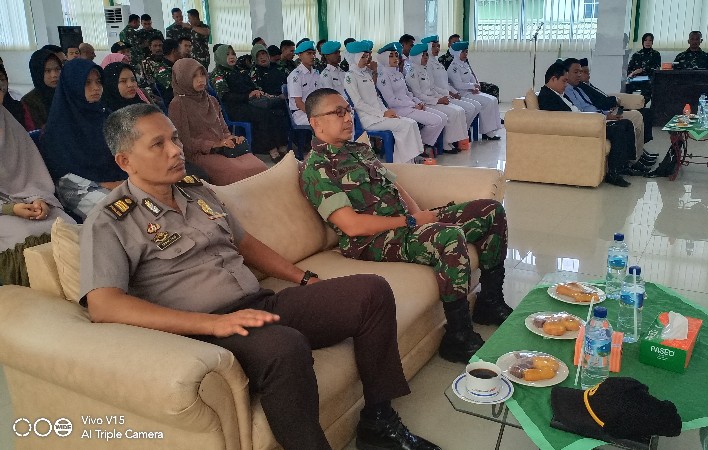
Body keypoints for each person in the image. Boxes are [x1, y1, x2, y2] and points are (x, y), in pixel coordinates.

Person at [83, 102, 440, 450]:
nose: (176, 150)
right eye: (158, 144)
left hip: (257, 305)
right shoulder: (111, 220)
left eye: (175, 138)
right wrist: (212, 324)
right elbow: (104, 305)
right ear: (125, 161)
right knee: (285, 346)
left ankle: (378, 420)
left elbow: (246, 244)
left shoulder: (197, 190)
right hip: (203, 331)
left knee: (371, 291)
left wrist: (303, 278)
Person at [301, 87, 512, 364]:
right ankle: (458, 336)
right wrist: (412, 221)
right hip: (370, 241)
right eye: (337, 113)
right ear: (316, 123)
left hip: (404, 225)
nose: (348, 118)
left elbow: (395, 186)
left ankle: (489, 302)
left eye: (348, 110)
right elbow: (351, 226)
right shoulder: (317, 168)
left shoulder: (358, 150)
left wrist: (419, 215)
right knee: (448, 237)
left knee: (490, 211)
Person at [40, 59, 127, 219]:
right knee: (121, 214)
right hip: (77, 187)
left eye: (98, 81)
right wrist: (108, 184)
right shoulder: (58, 126)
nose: (96, 87)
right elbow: (64, 173)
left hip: (119, 181)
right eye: (87, 83)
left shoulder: (106, 115)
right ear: (73, 86)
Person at [0, 105, 75, 286]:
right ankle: (38, 293)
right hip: (4, 210)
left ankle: (81, 291)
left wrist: (40, 199)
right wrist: (10, 209)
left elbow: (33, 173)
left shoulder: (10, 127)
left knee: (65, 224)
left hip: (26, 198)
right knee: (22, 235)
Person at [169, 58, 267, 185]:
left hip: (223, 148)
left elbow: (224, 129)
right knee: (236, 173)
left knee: (260, 167)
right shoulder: (178, 104)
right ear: (183, 78)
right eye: (194, 76)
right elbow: (183, 141)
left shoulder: (211, 100)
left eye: (202, 74)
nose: (201, 79)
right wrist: (213, 145)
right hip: (199, 154)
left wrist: (231, 138)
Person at [537, 61, 634, 187]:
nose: (566, 85)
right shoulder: (547, 96)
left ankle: (625, 165)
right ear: (553, 79)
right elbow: (561, 119)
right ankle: (613, 173)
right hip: (580, 126)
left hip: (584, 121)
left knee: (626, 123)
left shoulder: (558, 93)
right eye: (564, 81)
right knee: (618, 129)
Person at [342, 40, 425, 164]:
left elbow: (377, 98)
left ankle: (410, 158)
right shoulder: (350, 76)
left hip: (379, 115)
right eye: (363, 57)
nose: (366, 59)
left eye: (367, 56)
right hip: (367, 118)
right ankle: (403, 162)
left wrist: (386, 111)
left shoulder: (366, 73)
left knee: (412, 123)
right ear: (354, 58)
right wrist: (382, 114)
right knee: (405, 125)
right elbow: (358, 104)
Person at [210, 44, 289, 163]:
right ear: (220, 56)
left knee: (275, 111)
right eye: (227, 54)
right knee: (263, 115)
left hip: (248, 103)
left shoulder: (238, 69)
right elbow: (225, 96)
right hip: (234, 108)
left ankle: (281, 145)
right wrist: (247, 96)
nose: (231, 57)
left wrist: (258, 92)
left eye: (233, 54)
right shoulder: (218, 74)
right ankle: (271, 149)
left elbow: (251, 85)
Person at [562, 58, 645, 168]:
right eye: (576, 72)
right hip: (594, 120)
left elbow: (594, 103)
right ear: (566, 73)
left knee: (637, 117)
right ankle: (631, 162)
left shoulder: (579, 87)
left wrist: (607, 112)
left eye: (581, 72)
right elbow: (582, 111)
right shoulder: (565, 90)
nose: (579, 75)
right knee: (631, 120)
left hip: (602, 114)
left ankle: (636, 158)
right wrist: (605, 116)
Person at [577, 58, 657, 172]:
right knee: (636, 117)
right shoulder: (580, 87)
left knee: (646, 113)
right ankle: (634, 160)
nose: (587, 75)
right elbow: (599, 103)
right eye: (584, 72)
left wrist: (614, 102)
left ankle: (639, 153)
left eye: (588, 72)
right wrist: (613, 102)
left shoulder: (588, 85)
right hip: (604, 114)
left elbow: (602, 97)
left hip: (609, 110)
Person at [375, 42, 445, 159]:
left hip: (411, 106)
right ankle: (421, 147)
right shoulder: (383, 76)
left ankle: (420, 145)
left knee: (443, 118)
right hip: (399, 110)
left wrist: (418, 102)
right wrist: (412, 104)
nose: (395, 58)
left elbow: (408, 93)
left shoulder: (398, 73)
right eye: (391, 56)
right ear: (384, 58)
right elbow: (391, 101)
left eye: (396, 55)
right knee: (436, 121)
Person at [405, 43, 470, 153]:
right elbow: (418, 95)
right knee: (452, 113)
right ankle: (444, 144)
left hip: (433, 100)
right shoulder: (412, 73)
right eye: (423, 55)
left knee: (459, 110)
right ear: (416, 57)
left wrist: (442, 97)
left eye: (426, 55)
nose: (426, 57)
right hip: (425, 103)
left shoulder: (423, 70)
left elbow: (431, 88)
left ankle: (453, 141)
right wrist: (437, 100)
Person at [446, 41, 503, 140]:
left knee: (493, 99)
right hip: (462, 94)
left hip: (470, 91)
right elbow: (458, 84)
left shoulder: (464, 64)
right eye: (463, 52)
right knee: (488, 102)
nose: (465, 54)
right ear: (457, 53)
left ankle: (492, 129)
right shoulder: (453, 67)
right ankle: (487, 132)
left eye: (466, 52)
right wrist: (473, 86)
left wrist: (476, 87)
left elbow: (471, 77)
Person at [423, 35, 479, 130]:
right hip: (438, 97)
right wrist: (449, 93)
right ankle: (459, 134)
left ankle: (462, 133)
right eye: (433, 46)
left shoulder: (437, 62)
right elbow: (432, 86)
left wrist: (454, 92)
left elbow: (445, 82)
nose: (437, 48)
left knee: (472, 107)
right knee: (466, 109)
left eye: (438, 46)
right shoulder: (427, 65)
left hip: (446, 94)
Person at [21, 48, 62, 131]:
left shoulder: (66, 93)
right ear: (38, 72)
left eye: (57, 69)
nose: (54, 75)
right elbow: (36, 131)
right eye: (47, 71)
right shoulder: (30, 101)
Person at [626, 33, 660, 104]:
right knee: (626, 85)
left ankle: (641, 105)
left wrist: (642, 70)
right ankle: (628, 105)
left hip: (649, 79)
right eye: (645, 40)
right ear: (642, 42)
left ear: (652, 42)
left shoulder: (655, 54)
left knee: (649, 87)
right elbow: (629, 68)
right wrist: (633, 73)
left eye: (650, 40)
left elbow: (656, 68)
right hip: (636, 78)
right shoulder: (636, 54)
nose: (648, 42)